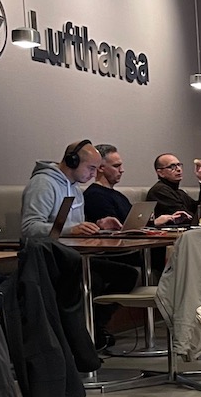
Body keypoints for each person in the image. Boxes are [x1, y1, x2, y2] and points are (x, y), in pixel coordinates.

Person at [21, 140, 135, 348]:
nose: (94, 174)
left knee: (126, 274)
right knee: (94, 280)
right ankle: (81, 340)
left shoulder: (75, 189)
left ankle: (94, 331)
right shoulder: (43, 183)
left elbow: (75, 227)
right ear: (72, 162)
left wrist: (99, 226)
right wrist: (69, 229)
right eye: (91, 168)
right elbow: (29, 229)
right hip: (50, 259)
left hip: (74, 256)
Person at [86, 145, 185, 228]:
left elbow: (132, 224)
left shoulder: (118, 195)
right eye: (116, 166)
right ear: (100, 168)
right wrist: (153, 223)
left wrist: (157, 221)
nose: (122, 170)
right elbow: (115, 229)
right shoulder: (95, 195)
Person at [145, 154, 201, 220]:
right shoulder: (159, 191)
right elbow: (185, 217)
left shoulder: (179, 192)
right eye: (172, 166)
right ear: (160, 173)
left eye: (179, 165)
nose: (179, 169)